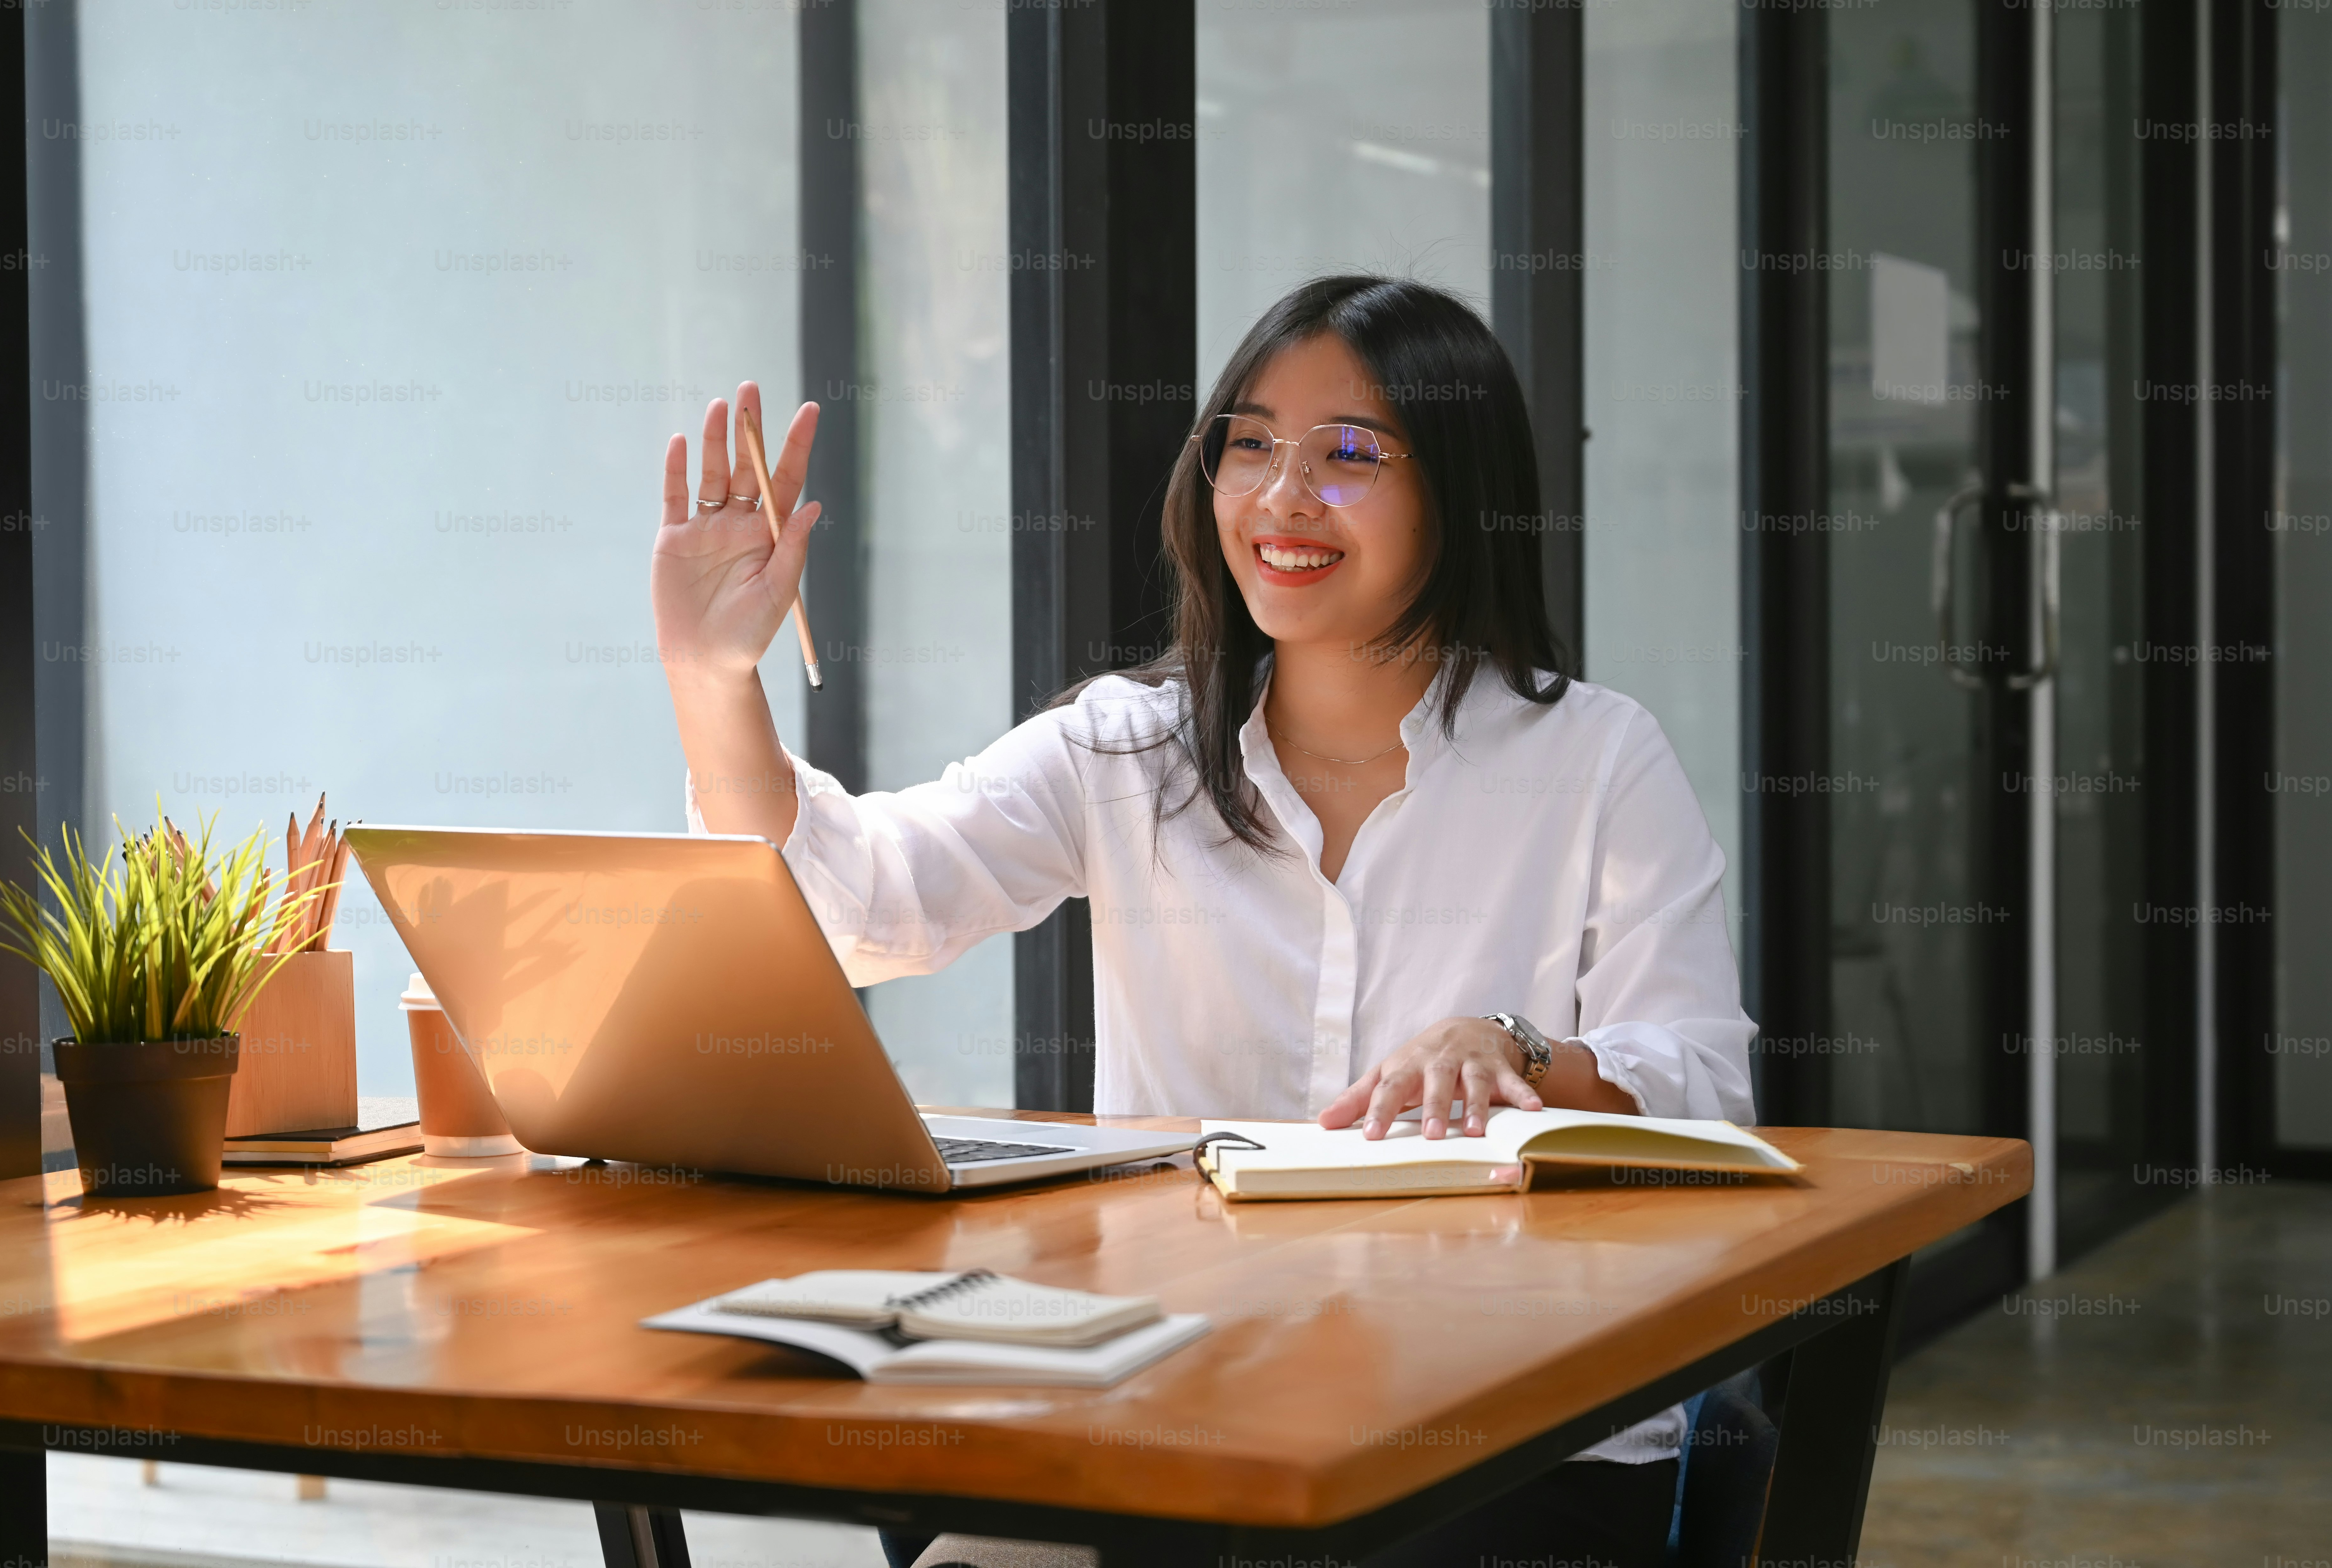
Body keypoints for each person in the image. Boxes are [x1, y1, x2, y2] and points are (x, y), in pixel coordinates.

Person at [650, 275, 1756, 1568]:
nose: (1285, 495)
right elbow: (862, 907)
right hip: (1171, 1404)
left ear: (1463, 494)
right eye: (1250, 442)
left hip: (1503, 1430)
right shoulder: (1129, 749)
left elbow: (1707, 1093)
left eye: (1351, 453)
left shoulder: (1597, 758)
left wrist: (1519, 1048)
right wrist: (713, 678)